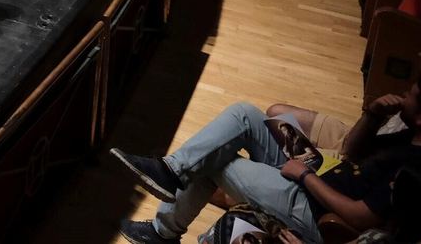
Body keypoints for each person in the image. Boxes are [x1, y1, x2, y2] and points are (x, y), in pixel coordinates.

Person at [111, 82, 420, 244]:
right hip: (321, 169)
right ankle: (170, 170)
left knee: (216, 162)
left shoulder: (414, 166)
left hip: (314, 207)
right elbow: (352, 153)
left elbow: (361, 218)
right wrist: (375, 113)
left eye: (412, 95)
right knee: (245, 113)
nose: (404, 94)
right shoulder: (406, 133)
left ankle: (162, 232)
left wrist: (303, 177)